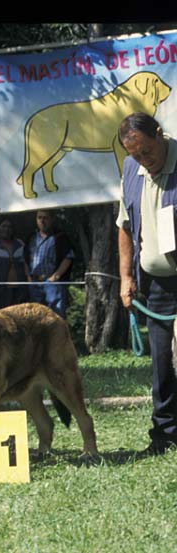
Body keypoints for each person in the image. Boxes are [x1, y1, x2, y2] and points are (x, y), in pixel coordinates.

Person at [116, 112, 177, 456]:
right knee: (161, 363)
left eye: (147, 153)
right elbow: (124, 225)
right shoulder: (130, 170)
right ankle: (165, 433)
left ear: (160, 134)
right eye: (136, 155)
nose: (143, 161)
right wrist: (126, 277)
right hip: (153, 285)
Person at [25, 209, 74, 318]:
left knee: (56, 317)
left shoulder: (60, 237)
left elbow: (68, 257)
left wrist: (55, 277)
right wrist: (29, 278)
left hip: (53, 283)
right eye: (39, 217)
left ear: (52, 219)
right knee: (36, 318)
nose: (42, 221)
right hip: (34, 283)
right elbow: (25, 260)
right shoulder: (31, 237)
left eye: (45, 218)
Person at [0, 218, 29, 309]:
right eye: (4, 226)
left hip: (19, 290)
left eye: (9, 227)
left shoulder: (20, 244)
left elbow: (25, 264)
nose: (7, 229)